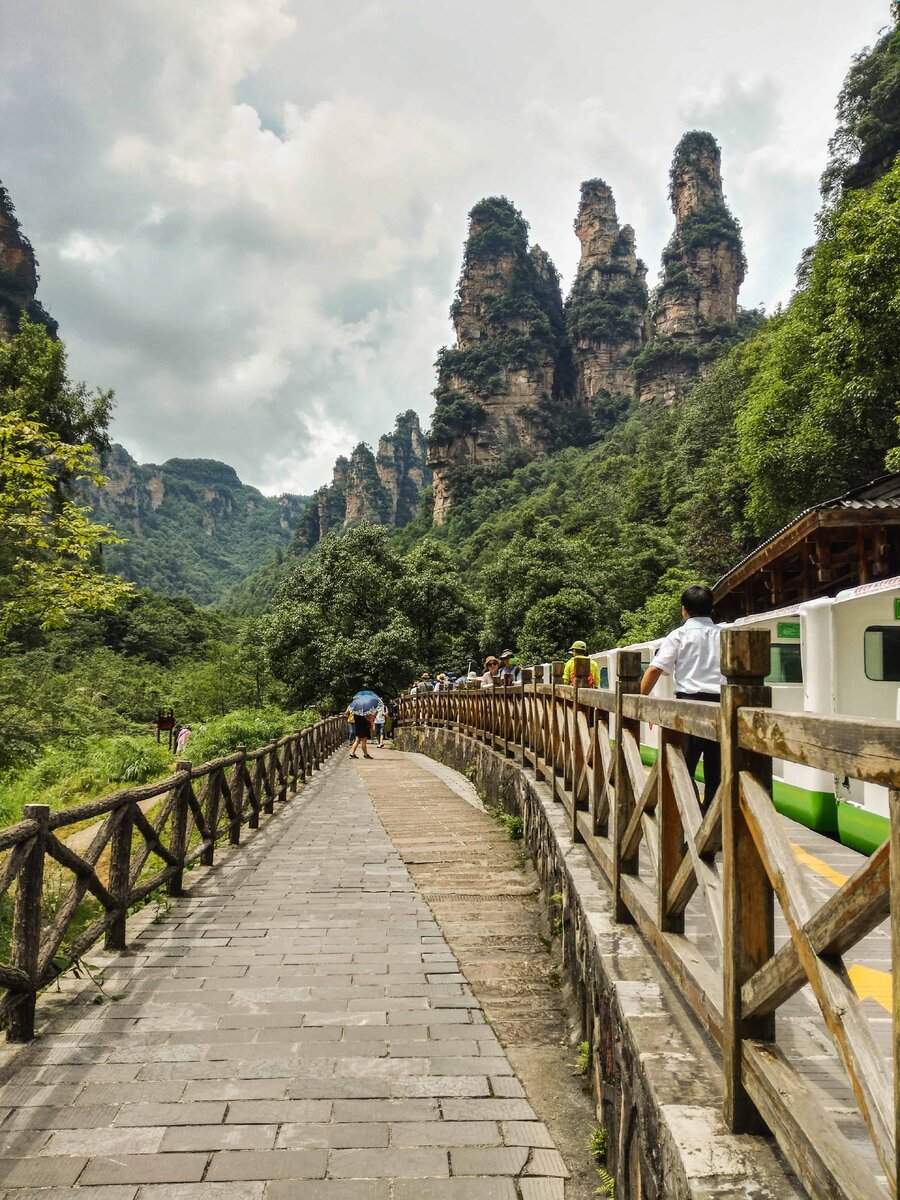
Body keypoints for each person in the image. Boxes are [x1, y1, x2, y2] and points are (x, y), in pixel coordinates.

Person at [640, 584, 722, 808]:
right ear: (711, 609)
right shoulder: (724, 634)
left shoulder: (679, 635)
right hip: (721, 707)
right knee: (717, 770)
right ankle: (710, 819)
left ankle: (691, 814)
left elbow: (655, 670)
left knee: (683, 767)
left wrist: (639, 699)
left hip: (689, 707)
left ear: (684, 610)